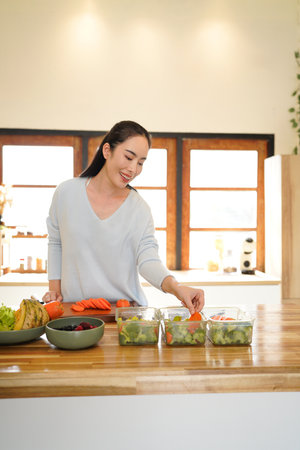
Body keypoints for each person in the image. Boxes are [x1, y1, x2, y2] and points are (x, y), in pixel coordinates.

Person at [42, 120, 204, 314]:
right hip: (74, 311)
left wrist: (177, 288)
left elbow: (148, 260)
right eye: (129, 157)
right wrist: (55, 290)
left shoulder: (139, 209)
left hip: (125, 315)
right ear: (107, 150)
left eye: (141, 163)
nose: (133, 169)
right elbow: (56, 242)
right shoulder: (66, 192)